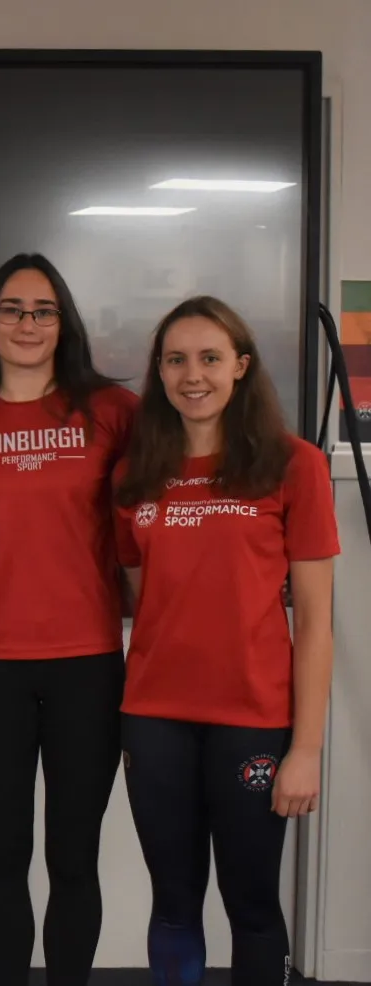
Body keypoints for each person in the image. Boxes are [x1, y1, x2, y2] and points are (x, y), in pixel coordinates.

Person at [0, 253, 140, 986]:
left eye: (43, 310)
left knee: (74, 856)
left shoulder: (112, 412)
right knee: (3, 854)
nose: (28, 323)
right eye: (12, 309)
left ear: (63, 322)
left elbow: (146, 531)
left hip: (88, 664)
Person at [112, 297, 337, 986]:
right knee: (175, 904)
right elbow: (144, 597)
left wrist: (304, 749)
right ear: (159, 370)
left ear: (240, 366)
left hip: (256, 724)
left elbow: (318, 623)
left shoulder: (293, 466)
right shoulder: (136, 472)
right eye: (176, 359)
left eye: (210, 357)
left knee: (252, 906)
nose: (192, 374)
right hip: (155, 721)